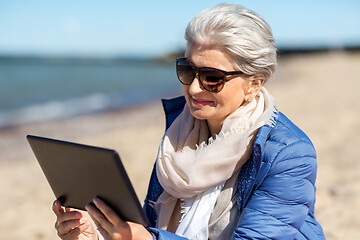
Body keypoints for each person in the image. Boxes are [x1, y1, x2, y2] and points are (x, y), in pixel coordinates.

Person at [52, 3, 326, 240]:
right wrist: (97, 233)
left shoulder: (288, 154)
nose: (193, 88)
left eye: (212, 77)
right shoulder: (179, 135)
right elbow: (154, 225)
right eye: (187, 70)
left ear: (253, 84)